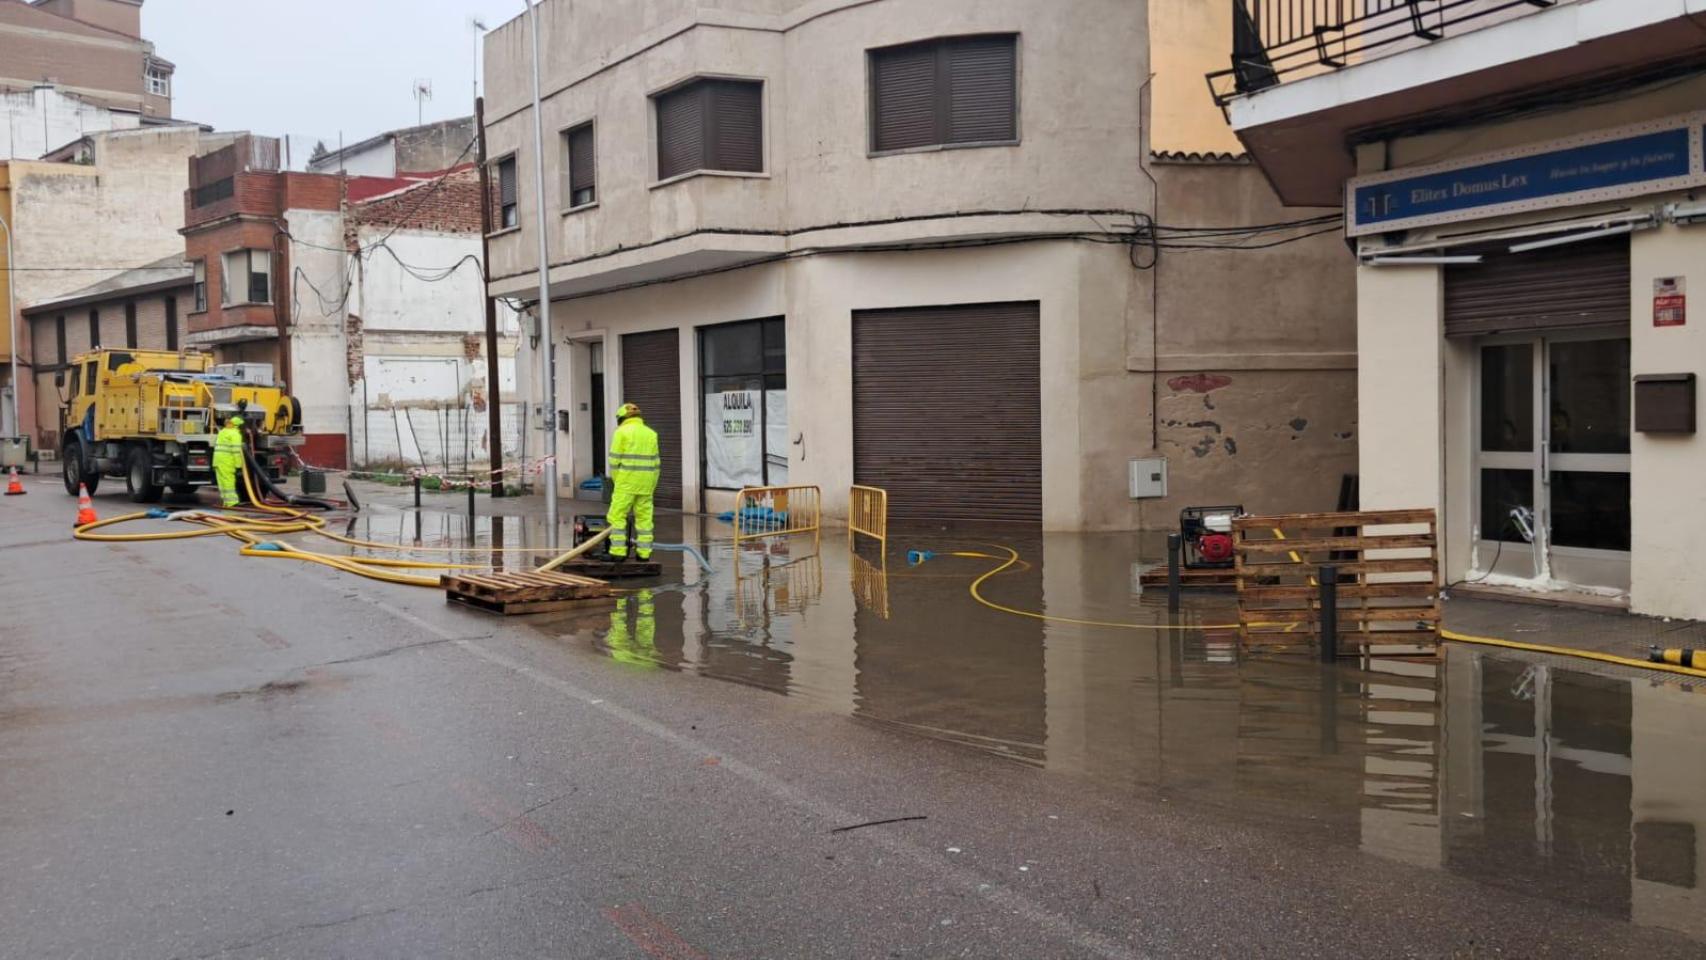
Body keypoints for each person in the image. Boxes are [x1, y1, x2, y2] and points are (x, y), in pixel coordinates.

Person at [605, 401, 659, 561]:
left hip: (626, 482)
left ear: (621, 418)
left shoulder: (621, 432)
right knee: (644, 518)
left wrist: (617, 481)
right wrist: (651, 484)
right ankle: (644, 554)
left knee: (617, 515)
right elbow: (656, 464)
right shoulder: (651, 434)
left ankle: (618, 552)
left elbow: (614, 461)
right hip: (646, 483)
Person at [212, 415, 246, 508]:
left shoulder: (223, 431)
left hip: (217, 460)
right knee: (228, 480)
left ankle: (226, 501)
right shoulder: (235, 434)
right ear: (237, 426)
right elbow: (236, 451)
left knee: (221, 481)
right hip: (227, 461)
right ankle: (232, 502)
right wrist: (238, 465)